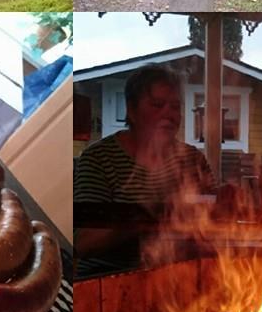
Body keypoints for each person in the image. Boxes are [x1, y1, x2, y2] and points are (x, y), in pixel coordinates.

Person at [73, 65, 216, 277]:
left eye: (175, 106)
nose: (169, 114)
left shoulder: (193, 159)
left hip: (177, 276)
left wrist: (227, 204)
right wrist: (145, 213)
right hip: (109, 281)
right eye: (157, 105)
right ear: (132, 110)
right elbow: (84, 242)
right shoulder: (99, 159)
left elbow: (210, 220)